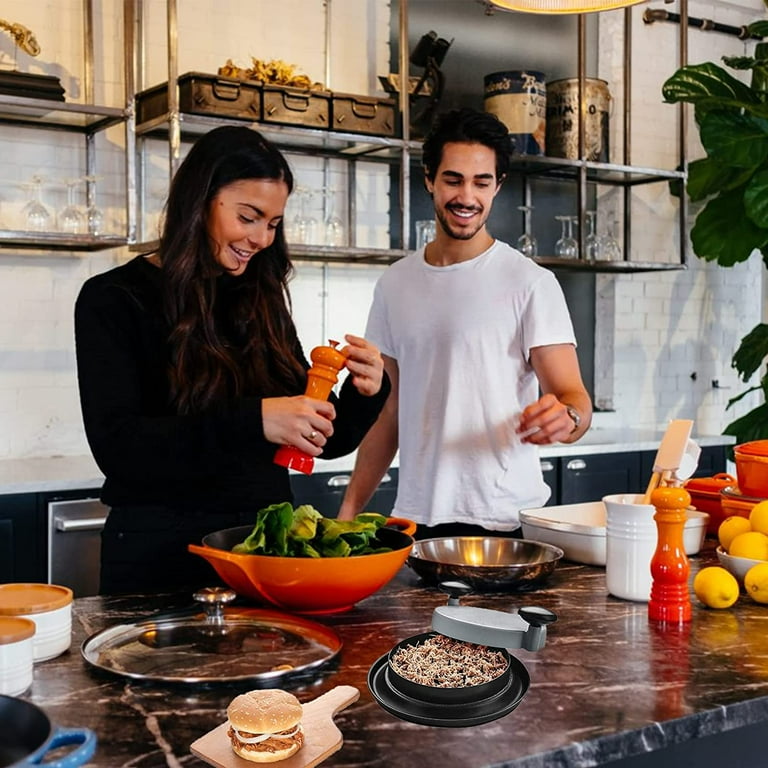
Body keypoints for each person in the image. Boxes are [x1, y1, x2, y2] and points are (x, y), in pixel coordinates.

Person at [75, 125, 389, 594]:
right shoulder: (114, 298)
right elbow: (119, 450)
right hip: (159, 560)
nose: (262, 238)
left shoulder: (260, 297)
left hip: (264, 554)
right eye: (249, 217)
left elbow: (318, 440)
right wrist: (255, 421)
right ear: (200, 200)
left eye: (274, 223)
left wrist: (365, 392)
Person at [337, 107, 592, 538]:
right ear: (429, 179)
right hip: (416, 520)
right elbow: (388, 411)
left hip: (507, 521)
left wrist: (566, 419)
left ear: (498, 186)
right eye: (453, 179)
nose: (466, 197)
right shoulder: (395, 283)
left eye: (481, 182)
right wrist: (347, 513)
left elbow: (575, 400)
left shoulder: (531, 283)